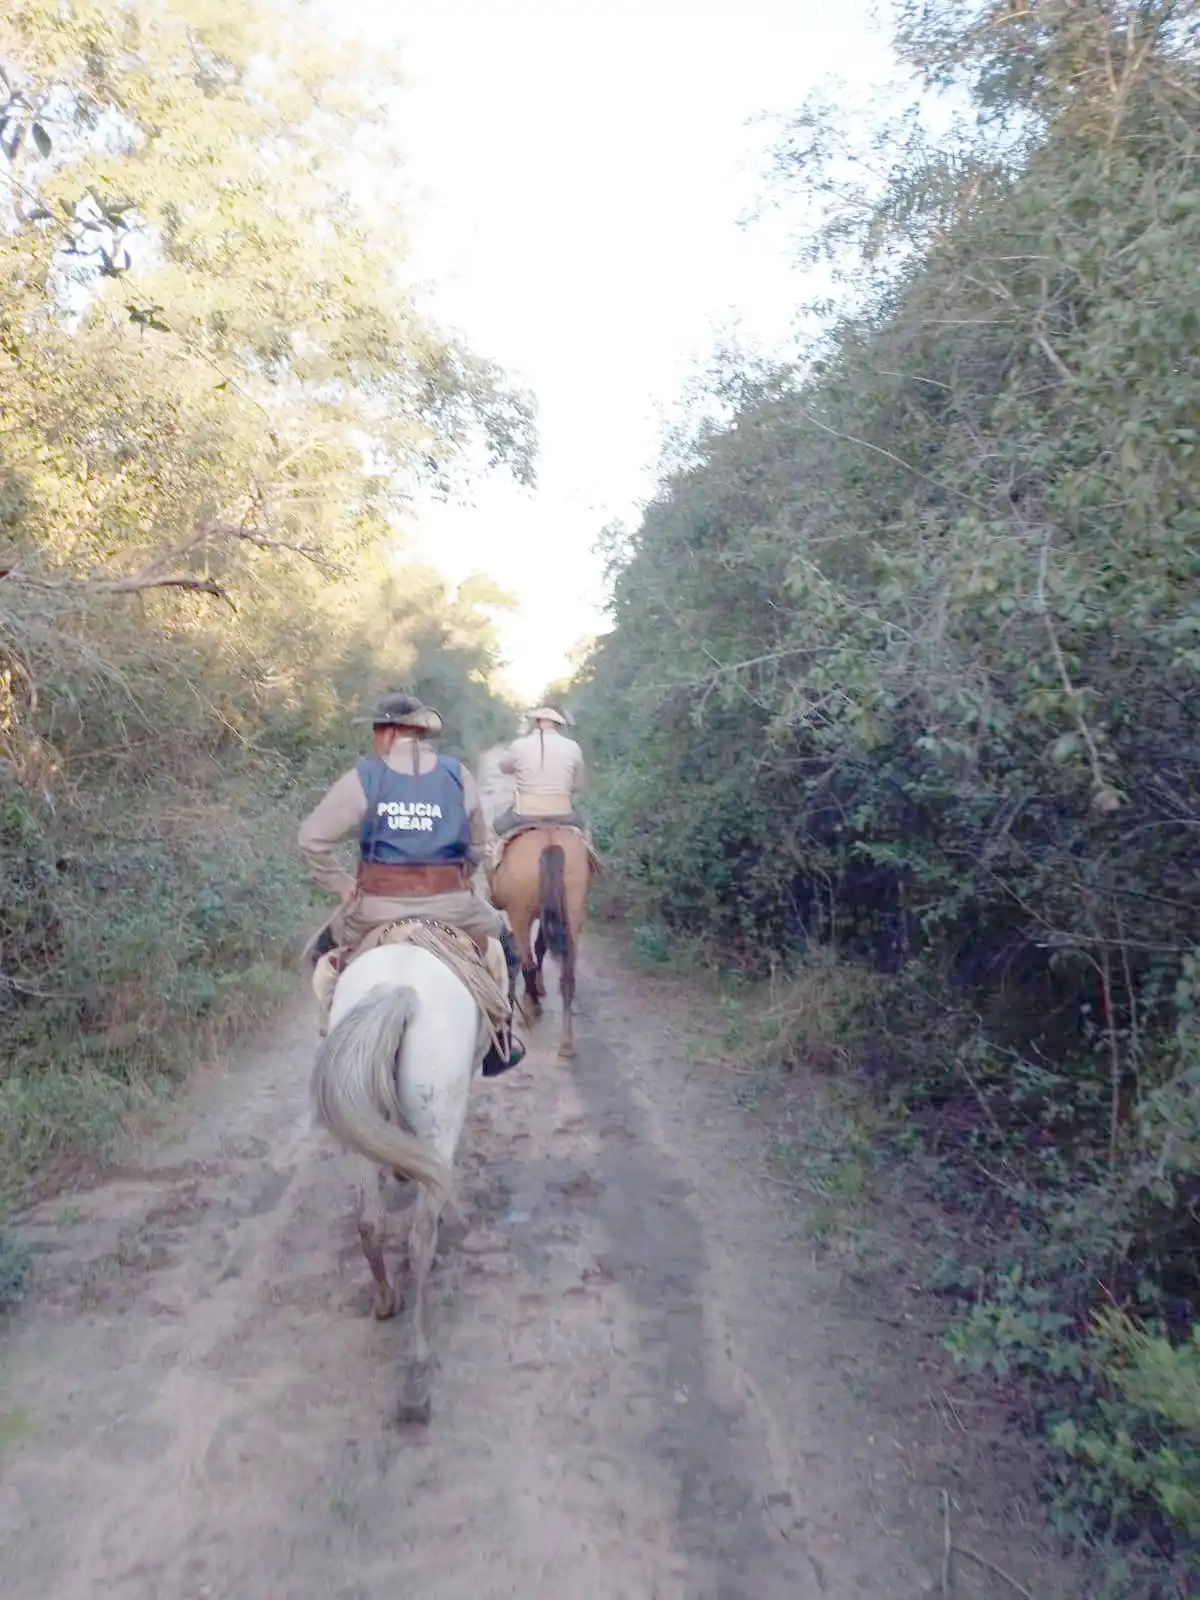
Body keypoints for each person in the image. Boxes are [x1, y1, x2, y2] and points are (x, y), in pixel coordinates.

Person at [298, 691, 524, 1075]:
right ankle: (500, 1041)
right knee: (505, 945)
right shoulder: (457, 773)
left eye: (375, 730)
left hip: (374, 909)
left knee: (318, 954)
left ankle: (331, 1034)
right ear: (418, 732)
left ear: (387, 732)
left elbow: (311, 839)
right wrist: (459, 880)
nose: (374, 738)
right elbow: (476, 845)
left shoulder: (365, 776)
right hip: (452, 905)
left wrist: (338, 882)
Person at [492, 705, 586, 838]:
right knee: (584, 830)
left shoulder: (519, 744)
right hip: (563, 813)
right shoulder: (573, 746)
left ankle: (495, 857)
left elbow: (504, 767)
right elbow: (577, 786)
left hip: (524, 813)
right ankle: (592, 855)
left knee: (498, 827)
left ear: (536, 722)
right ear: (558, 725)